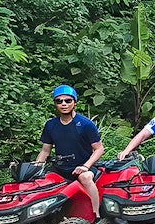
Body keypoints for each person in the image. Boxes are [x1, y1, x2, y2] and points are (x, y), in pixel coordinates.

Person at [34, 85, 104, 213]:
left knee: (85, 178)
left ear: (75, 102)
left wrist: (86, 166)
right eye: (59, 101)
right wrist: (35, 168)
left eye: (68, 100)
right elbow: (45, 151)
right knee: (40, 181)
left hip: (83, 166)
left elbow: (99, 149)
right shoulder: (51, 125)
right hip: (60, 167)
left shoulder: (85, 124)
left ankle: (96, 213)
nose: (64, 104)